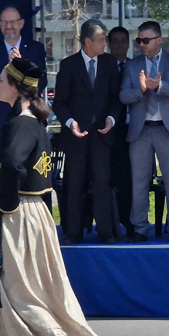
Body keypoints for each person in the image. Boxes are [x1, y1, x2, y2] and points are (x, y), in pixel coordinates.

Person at [0, 58, 107, 336]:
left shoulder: (21, 123)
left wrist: (6, 205)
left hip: (18, 213)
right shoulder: (32, 119)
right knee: (5, 293)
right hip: (33, 211)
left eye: (1, 79)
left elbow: (11, 164)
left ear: (16, 87)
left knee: (18, 293)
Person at [119, 21, 169, 243]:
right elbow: (123, 96)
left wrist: (159, 87)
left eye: (146, 40)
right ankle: (140, 228)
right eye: (139, 40)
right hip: (141, 130)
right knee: (138, 181)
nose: (141, 44)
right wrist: (141, 89)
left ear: (159, 40)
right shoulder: (132, 66)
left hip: (167, 129)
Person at [51, 19, 122, 244]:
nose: (106, 44)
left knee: (102, 182)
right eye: (101, 40)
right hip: (76, 136)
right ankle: (73, 232)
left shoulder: (110, 63)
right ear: (88, 42)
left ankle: (105, 232)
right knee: (75, 183)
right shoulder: (69, 65)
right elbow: (59, 102)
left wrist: (111, 119)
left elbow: (116, 99)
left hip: (101, 134)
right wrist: (70, 122)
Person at [0, 6, 47, 154]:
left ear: (21, 24)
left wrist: (21, 66)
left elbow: (41, 83)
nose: (9, 27)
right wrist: (8, 67)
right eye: (5, 23)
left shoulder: (35, 49)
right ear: (0, 25)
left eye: (13, 22)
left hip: (28, 121)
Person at [108, 26, 135, 238]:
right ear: (108, 43)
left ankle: (132, 221)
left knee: (133, 178)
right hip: (109, 132)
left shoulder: (135, 67)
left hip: (134, 130)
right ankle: (112, 222)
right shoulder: (103, 66)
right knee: (113, 178)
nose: (119, 45)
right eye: (114, 41)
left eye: (123, 41)